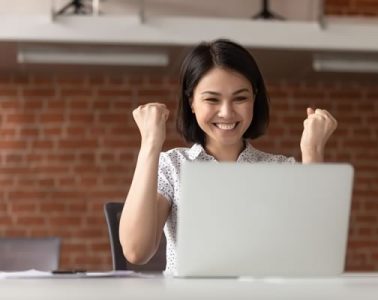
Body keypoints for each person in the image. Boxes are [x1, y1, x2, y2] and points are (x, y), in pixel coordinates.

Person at [119, 39, 338, 275]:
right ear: (191, 101)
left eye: (240, 98)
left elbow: (315, 255)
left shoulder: (281, 169)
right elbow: (136, 251)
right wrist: (150, 143)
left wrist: (312, 152)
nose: (226, 112)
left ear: (254, 98)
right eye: (212, 99)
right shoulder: (173, 166)